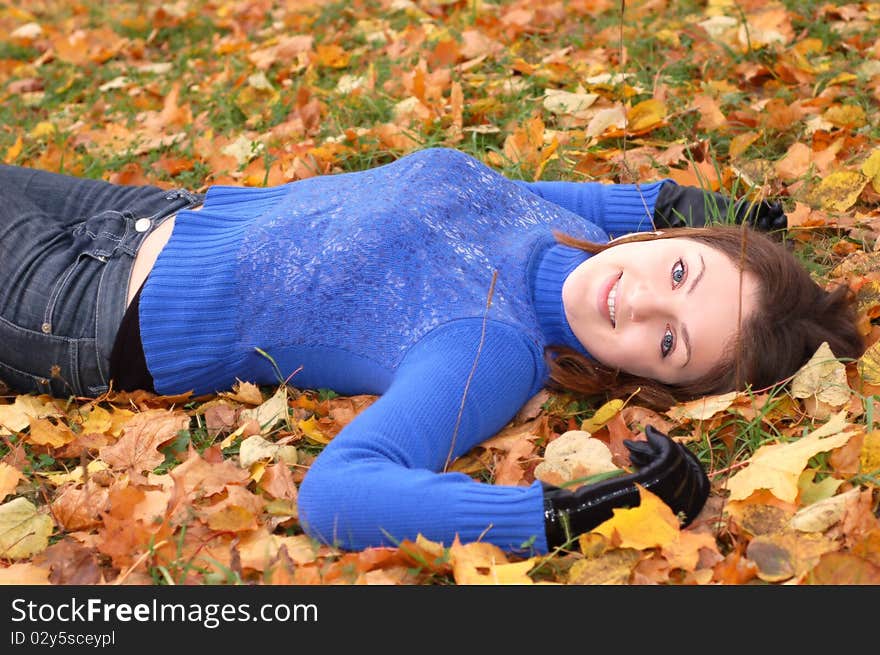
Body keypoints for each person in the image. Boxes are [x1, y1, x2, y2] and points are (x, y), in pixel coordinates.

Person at [0, 148, 863, 555]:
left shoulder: (486, 350)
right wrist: (667, 198)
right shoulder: (578, 239)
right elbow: (511, 193)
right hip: (149, 212)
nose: (636, 299)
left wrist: (564, 514)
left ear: (650, 380)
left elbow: (337, 495)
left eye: (667, 342)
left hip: (77, 306)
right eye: (679, 269)